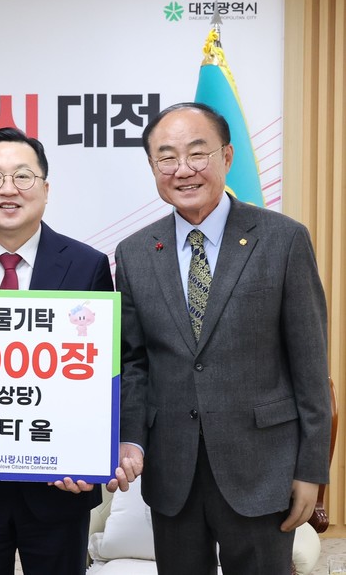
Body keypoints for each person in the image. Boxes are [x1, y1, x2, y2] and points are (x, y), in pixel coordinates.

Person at [110, 102, 331, 574]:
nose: (183, 169)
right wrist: (131, 440)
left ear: (227, 156)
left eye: (197, 153)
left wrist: (311, 471)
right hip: (173, 471)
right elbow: (134, 363)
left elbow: (310, 364)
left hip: (262, 467)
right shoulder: (134, 254)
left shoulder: (283, 239)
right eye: (166, 157)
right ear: (152, 166)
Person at [0, 127, 114, 575]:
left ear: (45, 189)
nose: (8, 189)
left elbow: (107, 367)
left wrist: (90, 456)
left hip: (60, 484)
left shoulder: (86, 265)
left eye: (23, 176)